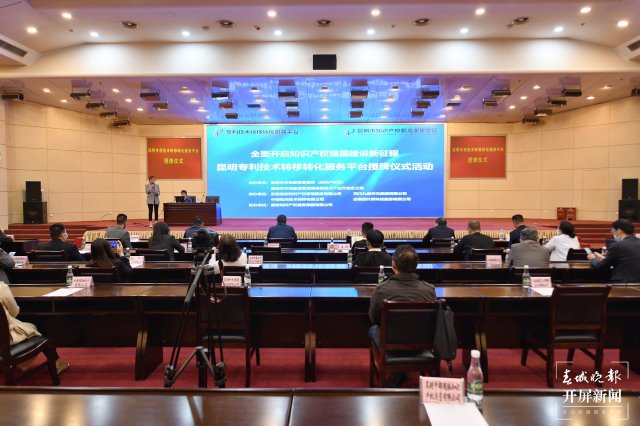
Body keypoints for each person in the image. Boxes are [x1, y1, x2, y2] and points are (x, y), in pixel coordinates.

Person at [0, 281, 69, 374]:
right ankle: (56, 364)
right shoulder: (1, 288)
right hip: (6, 340)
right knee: (34, 327)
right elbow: (14, 312)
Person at [369, 244, 436, 324]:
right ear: (416, 265)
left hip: (390, 332)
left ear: (393, 265)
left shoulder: (381, 290)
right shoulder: (429, 290)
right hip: (421, 332)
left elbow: (373, 319)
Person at [588, 219, 640, 283]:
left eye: (612, 230)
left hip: (623, 284)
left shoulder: (617, 245)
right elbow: (627, 260)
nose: (611, 232)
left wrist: (593, 259)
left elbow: (601, 267)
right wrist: (604, 259)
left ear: (619, 230)